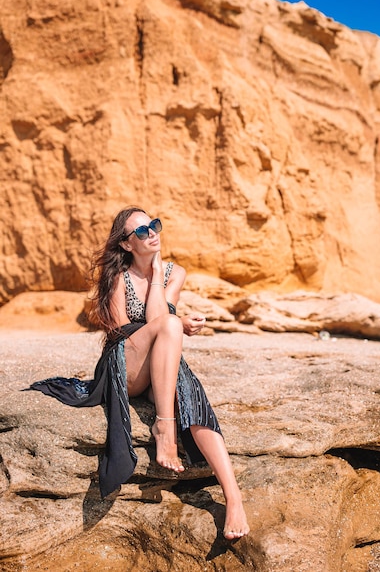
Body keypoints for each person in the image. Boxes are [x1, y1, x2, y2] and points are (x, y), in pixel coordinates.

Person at [31, 206, 249, 541]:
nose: (152, 234)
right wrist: (171, 325)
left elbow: (162, 315)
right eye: (142, 232)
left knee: (193, 399)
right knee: (171, 325)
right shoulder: (118, 276)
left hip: (159, 362)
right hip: (125, 364)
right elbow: (121, 332)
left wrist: (158, 275)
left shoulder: (174, 273)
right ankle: (164, 428)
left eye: (155, 226)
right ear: (127, 245)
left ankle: (234, 499)